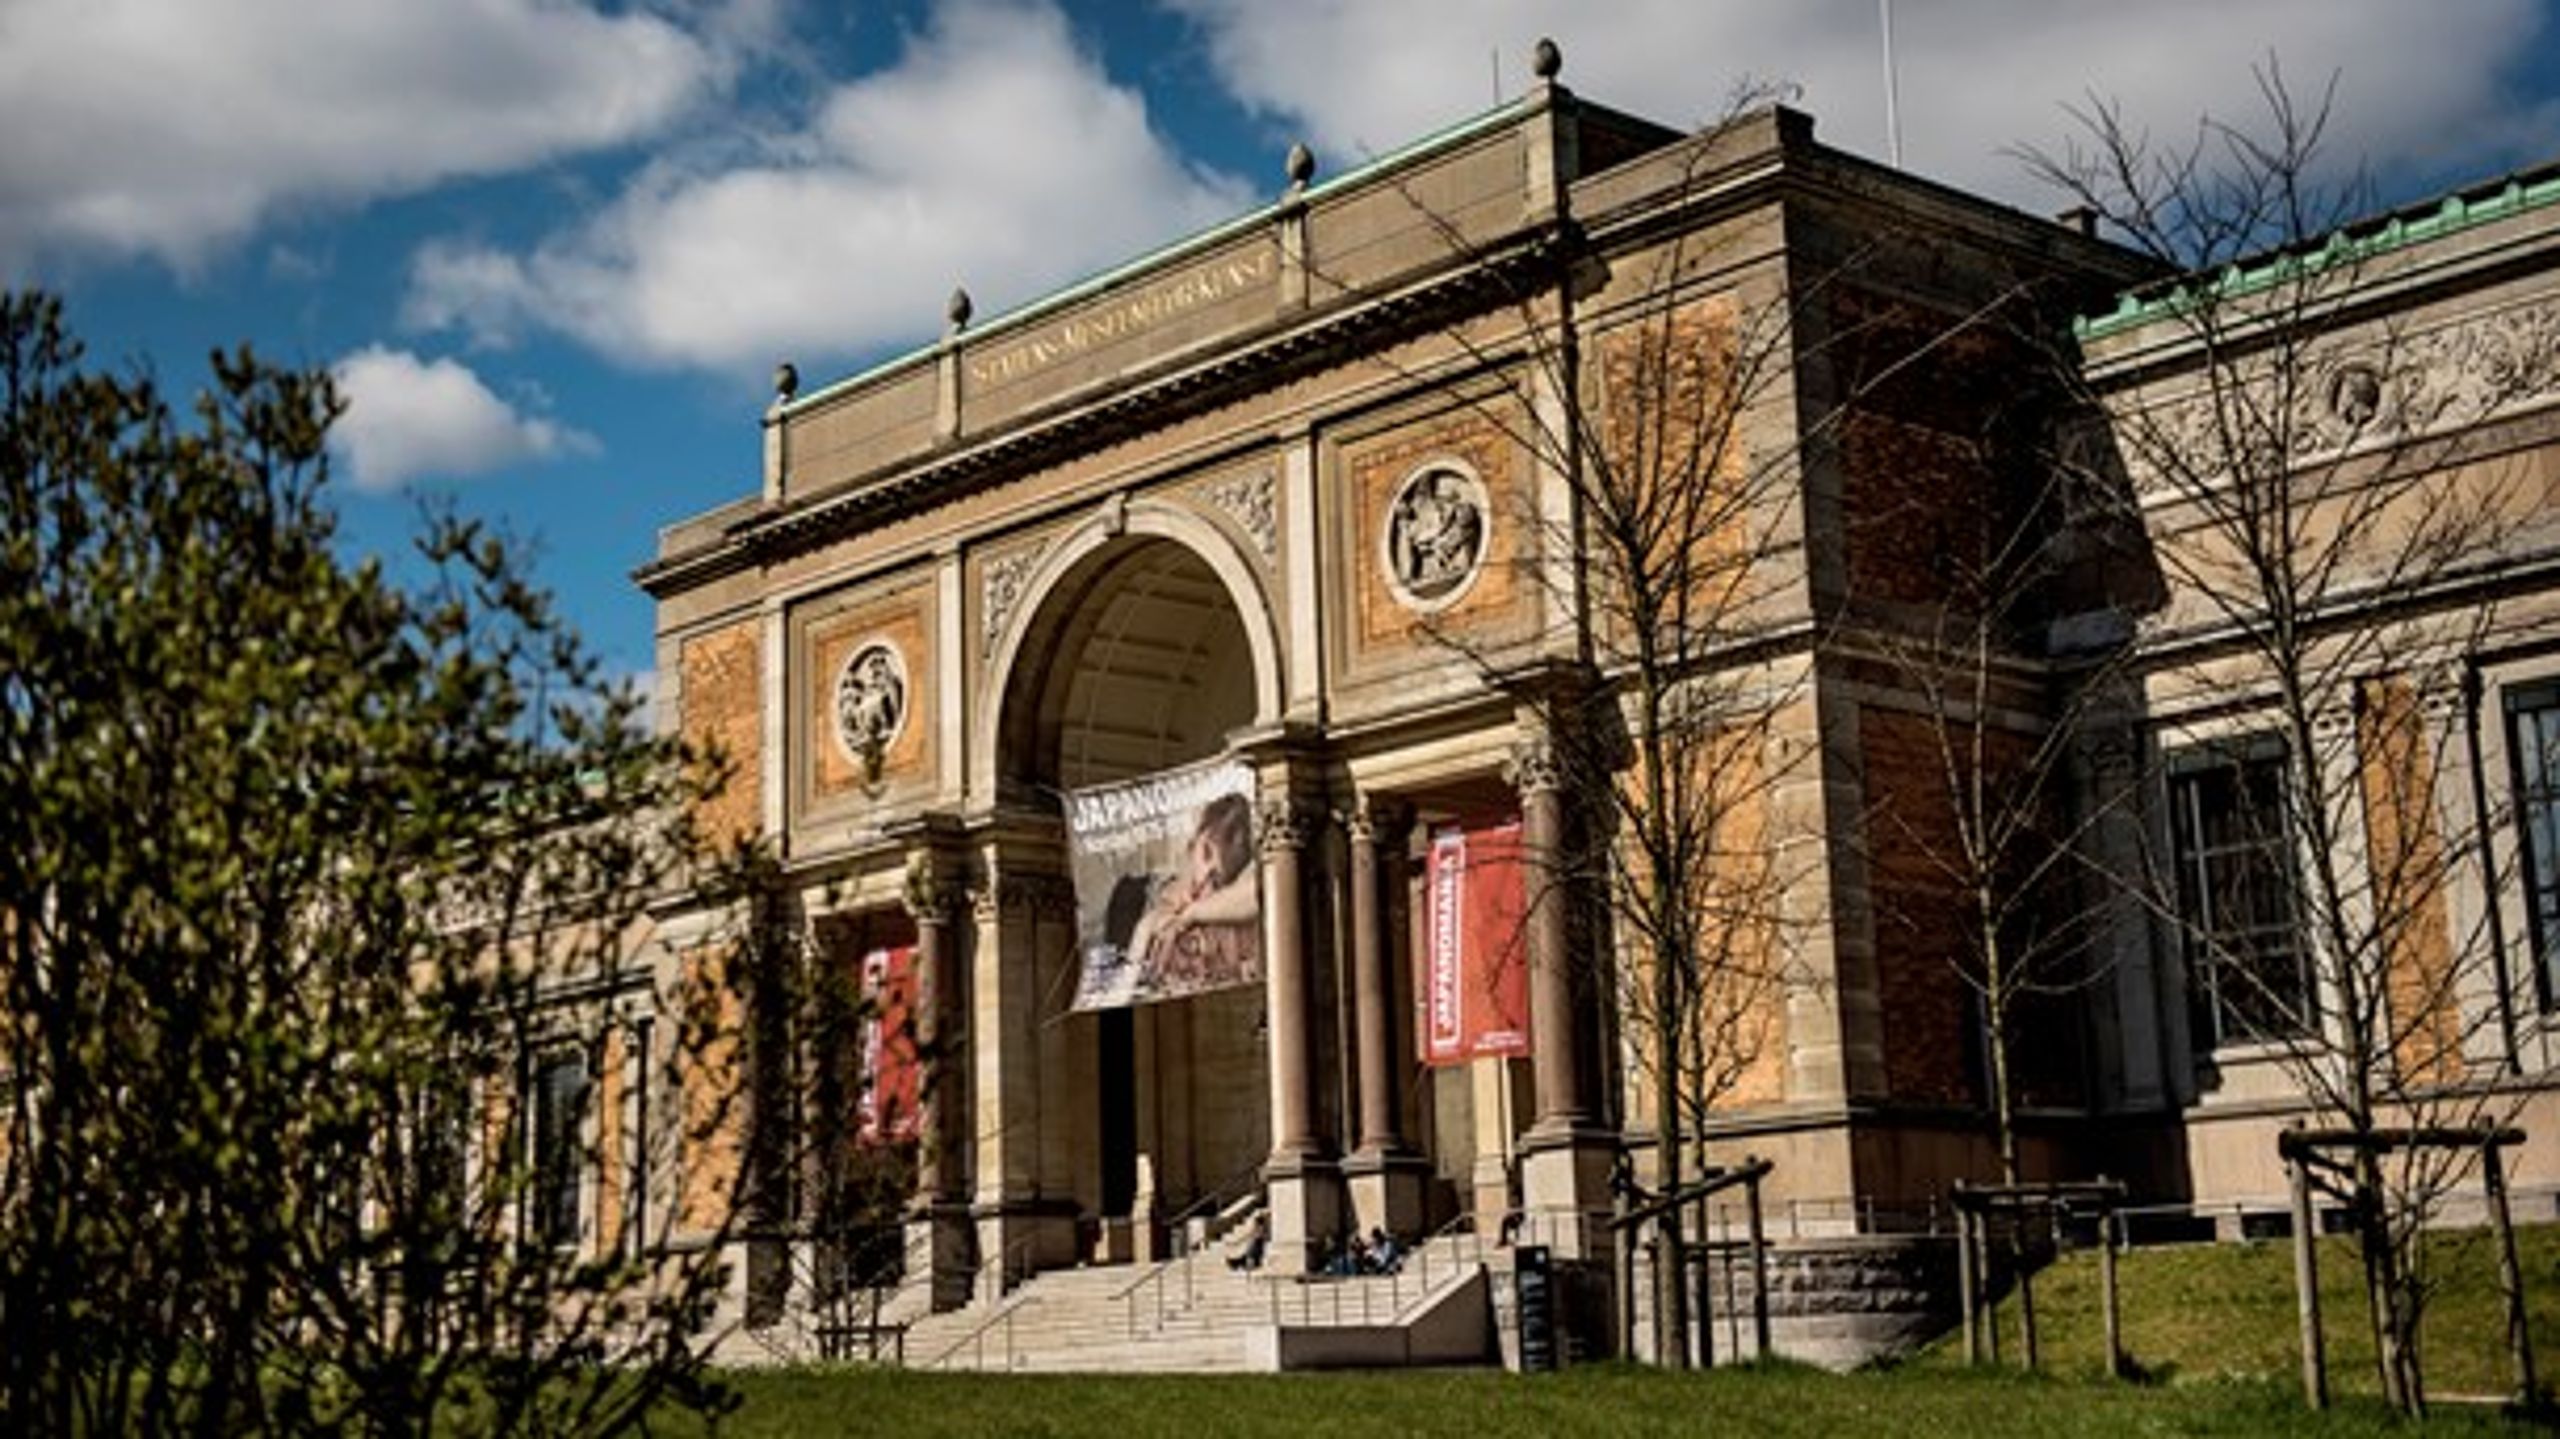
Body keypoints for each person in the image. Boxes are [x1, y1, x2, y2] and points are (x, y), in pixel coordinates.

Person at [1127, 793, 1256, 991]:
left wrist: (1192, 914)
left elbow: (1258, 892)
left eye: (1217, 879)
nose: (1205, 876)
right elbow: (1130, 984)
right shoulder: (1158, 913)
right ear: (1193, 845)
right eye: (1205, 851)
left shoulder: (1241, 905)